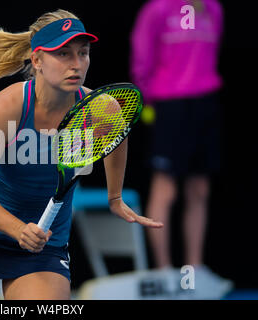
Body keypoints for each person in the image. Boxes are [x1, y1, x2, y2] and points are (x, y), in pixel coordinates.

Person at [0, 9, 163, 300]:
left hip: (44, 245)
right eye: (63, 54)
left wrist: (114, 197)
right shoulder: (5, 108)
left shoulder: (103, 109)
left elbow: (116, 141)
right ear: (37, 60)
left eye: (83, 53)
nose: (76, 64)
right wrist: (17, 229)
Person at [130, 0, 232, 297]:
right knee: (166, 191)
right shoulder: (157, 9)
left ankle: (193, 270)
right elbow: (142, 57)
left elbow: (211, 57)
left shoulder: (214, 9)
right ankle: (164, 272)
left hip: (205, 103)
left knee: (199, 189)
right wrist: (147, 101)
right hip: (170, 105)